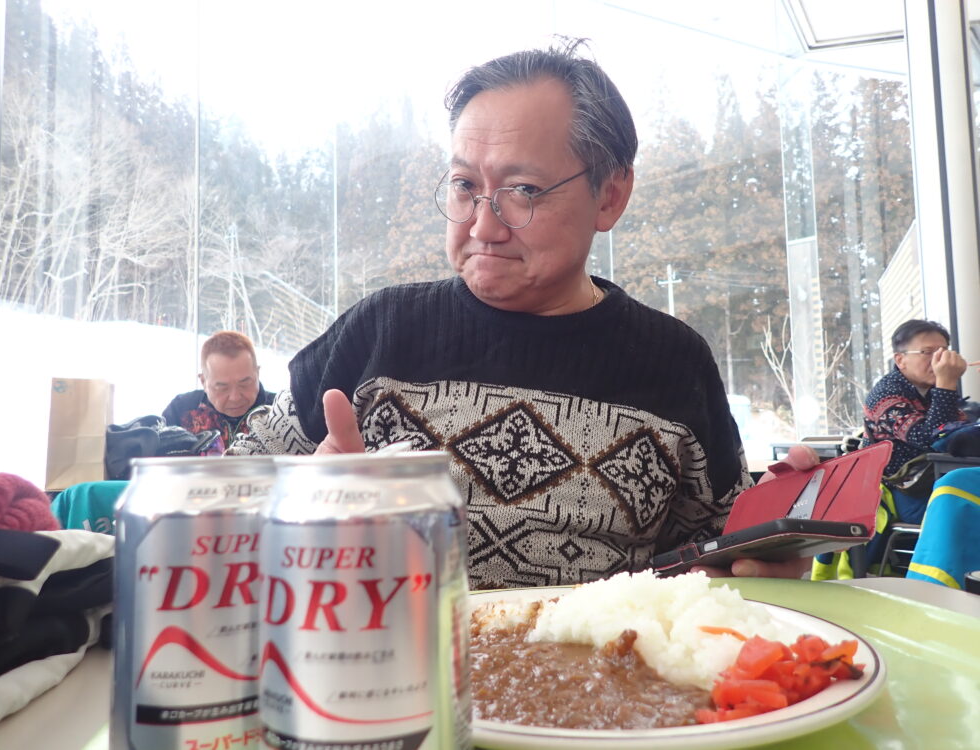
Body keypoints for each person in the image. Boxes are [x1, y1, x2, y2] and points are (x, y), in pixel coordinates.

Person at [228, 39, 814, 588]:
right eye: (464, 185)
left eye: (524, 191)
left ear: (610, 195)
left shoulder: (673, 362)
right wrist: (302, 507)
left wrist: (760, 553)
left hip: (602, 663)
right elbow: (221, 516)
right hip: (391, 655)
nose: (483, 226)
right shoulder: (378, 333)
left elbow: (711, 557)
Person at [861, 319, 967, 524]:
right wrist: (946, 383)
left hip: (941, 481)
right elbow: (933, 440)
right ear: (900, 360)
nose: (939, 359)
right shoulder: (886, 394)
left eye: (944, 351)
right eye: (927, 352)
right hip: (904, 493)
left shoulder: (934, 390)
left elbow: (962, 433)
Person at [162, 331, 275, 450]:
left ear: (257, 373)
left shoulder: (280, 411)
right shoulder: (181, 410)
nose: (235, 397)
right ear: (203, 382)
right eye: (222, 387)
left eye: (245, 383)